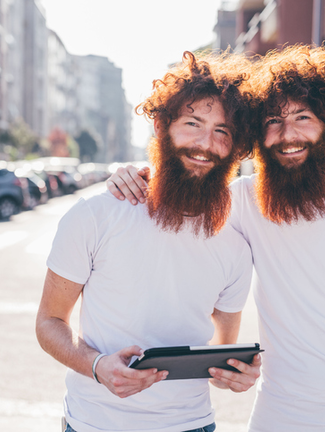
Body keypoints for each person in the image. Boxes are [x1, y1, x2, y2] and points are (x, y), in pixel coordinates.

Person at [107, 44, 325, 431]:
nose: (287, 134)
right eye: (273, 121)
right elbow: (185, 184)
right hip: (273, 419)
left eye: (303, 117)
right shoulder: (243, 201)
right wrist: (132, 175)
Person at [36, 51, 262, 432]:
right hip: (94, 425)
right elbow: (49, 321)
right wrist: (95, 364)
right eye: (193, 123)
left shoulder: (237, 245)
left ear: (235, 147)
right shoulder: (97, 215)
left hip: (192, 425)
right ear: (161, 126)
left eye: (222, 131)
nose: (205, 143)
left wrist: (234, 375)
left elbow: (220, 352)